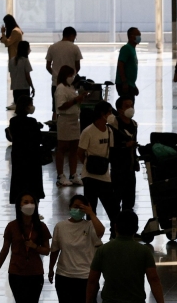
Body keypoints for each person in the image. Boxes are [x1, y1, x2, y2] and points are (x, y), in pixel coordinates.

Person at [50, 195, 105, 303]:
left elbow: (101, 232)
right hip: (65, 276)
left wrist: (92, 214)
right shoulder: (61, 227)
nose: (77, 210)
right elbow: (55, 249)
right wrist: (51, 268)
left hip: (86, 277)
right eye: (75, 206)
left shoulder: (90, 226)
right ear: (69, 207)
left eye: (81, 207)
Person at [79, 101, 121, 231]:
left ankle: (115, 231)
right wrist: (89, 165)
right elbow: (80, 152)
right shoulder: (88, 131)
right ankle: (91, 233)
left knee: (112, 207)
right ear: (102, 114)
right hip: (90, 176)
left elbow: (111, 151)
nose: (110, 115)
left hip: (104, 175)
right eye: (108, 112)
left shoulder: (109, 131)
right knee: (91, 207)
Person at [7, 96, 45, 206]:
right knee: (33, 182)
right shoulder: (32, 122)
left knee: (19, 181)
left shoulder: (13, 121)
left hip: (18, 156)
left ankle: (20, 206)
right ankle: (34, 207)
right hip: (32, 156)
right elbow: (38, 138)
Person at [54, 65, 85, 187]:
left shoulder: (71, 88)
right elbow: (61, 106)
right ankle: (61, 175)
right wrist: (76, 100)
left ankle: (73, 174)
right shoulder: (61, 89)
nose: (72, 77)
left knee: (74, 148)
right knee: (62, 148)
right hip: (65, 120)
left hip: (74, 120)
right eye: (70, 75)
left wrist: (80, 98)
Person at [108, 96, 140, 213]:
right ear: (120, 109)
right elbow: (110, 147)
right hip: (118, 168)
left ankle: (127, 225)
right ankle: (115, 227)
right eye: (127, 106)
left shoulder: (134, 125)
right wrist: (124, 145)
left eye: (132, 105)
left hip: (130, 169)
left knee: (129, 201)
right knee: (116, 200)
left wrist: (135, 160)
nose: (130, 108)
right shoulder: (114, 124)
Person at [46, 27, 83, 119]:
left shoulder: (52, 47)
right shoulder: (74, 48)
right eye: (75, 37)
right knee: (71, 104)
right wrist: (72, 75)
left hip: (55, 82)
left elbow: (48, 66)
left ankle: (54, 127)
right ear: (72, 35)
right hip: (70, 83)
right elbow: (78, 66)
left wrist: (57, 75)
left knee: (55, 108)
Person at [116, 27, 141, 100]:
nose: (139, 37)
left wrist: (133, 85)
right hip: (124, 84)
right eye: (137, 35)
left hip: (130, 84)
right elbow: (120, 65)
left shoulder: (132, 49)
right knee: (127, 107)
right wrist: (124, 82)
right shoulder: (126, 48)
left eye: (139, 35)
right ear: (130, 36)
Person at [8, 40, 34, 108]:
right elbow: (27, 76)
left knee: (18, 107)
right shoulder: (25, 60)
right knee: (25, 108)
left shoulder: (11, 60)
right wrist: (32, 86)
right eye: (28, 48)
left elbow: (11, 74)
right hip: (24, 88)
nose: (29, 50)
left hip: (15, 88)